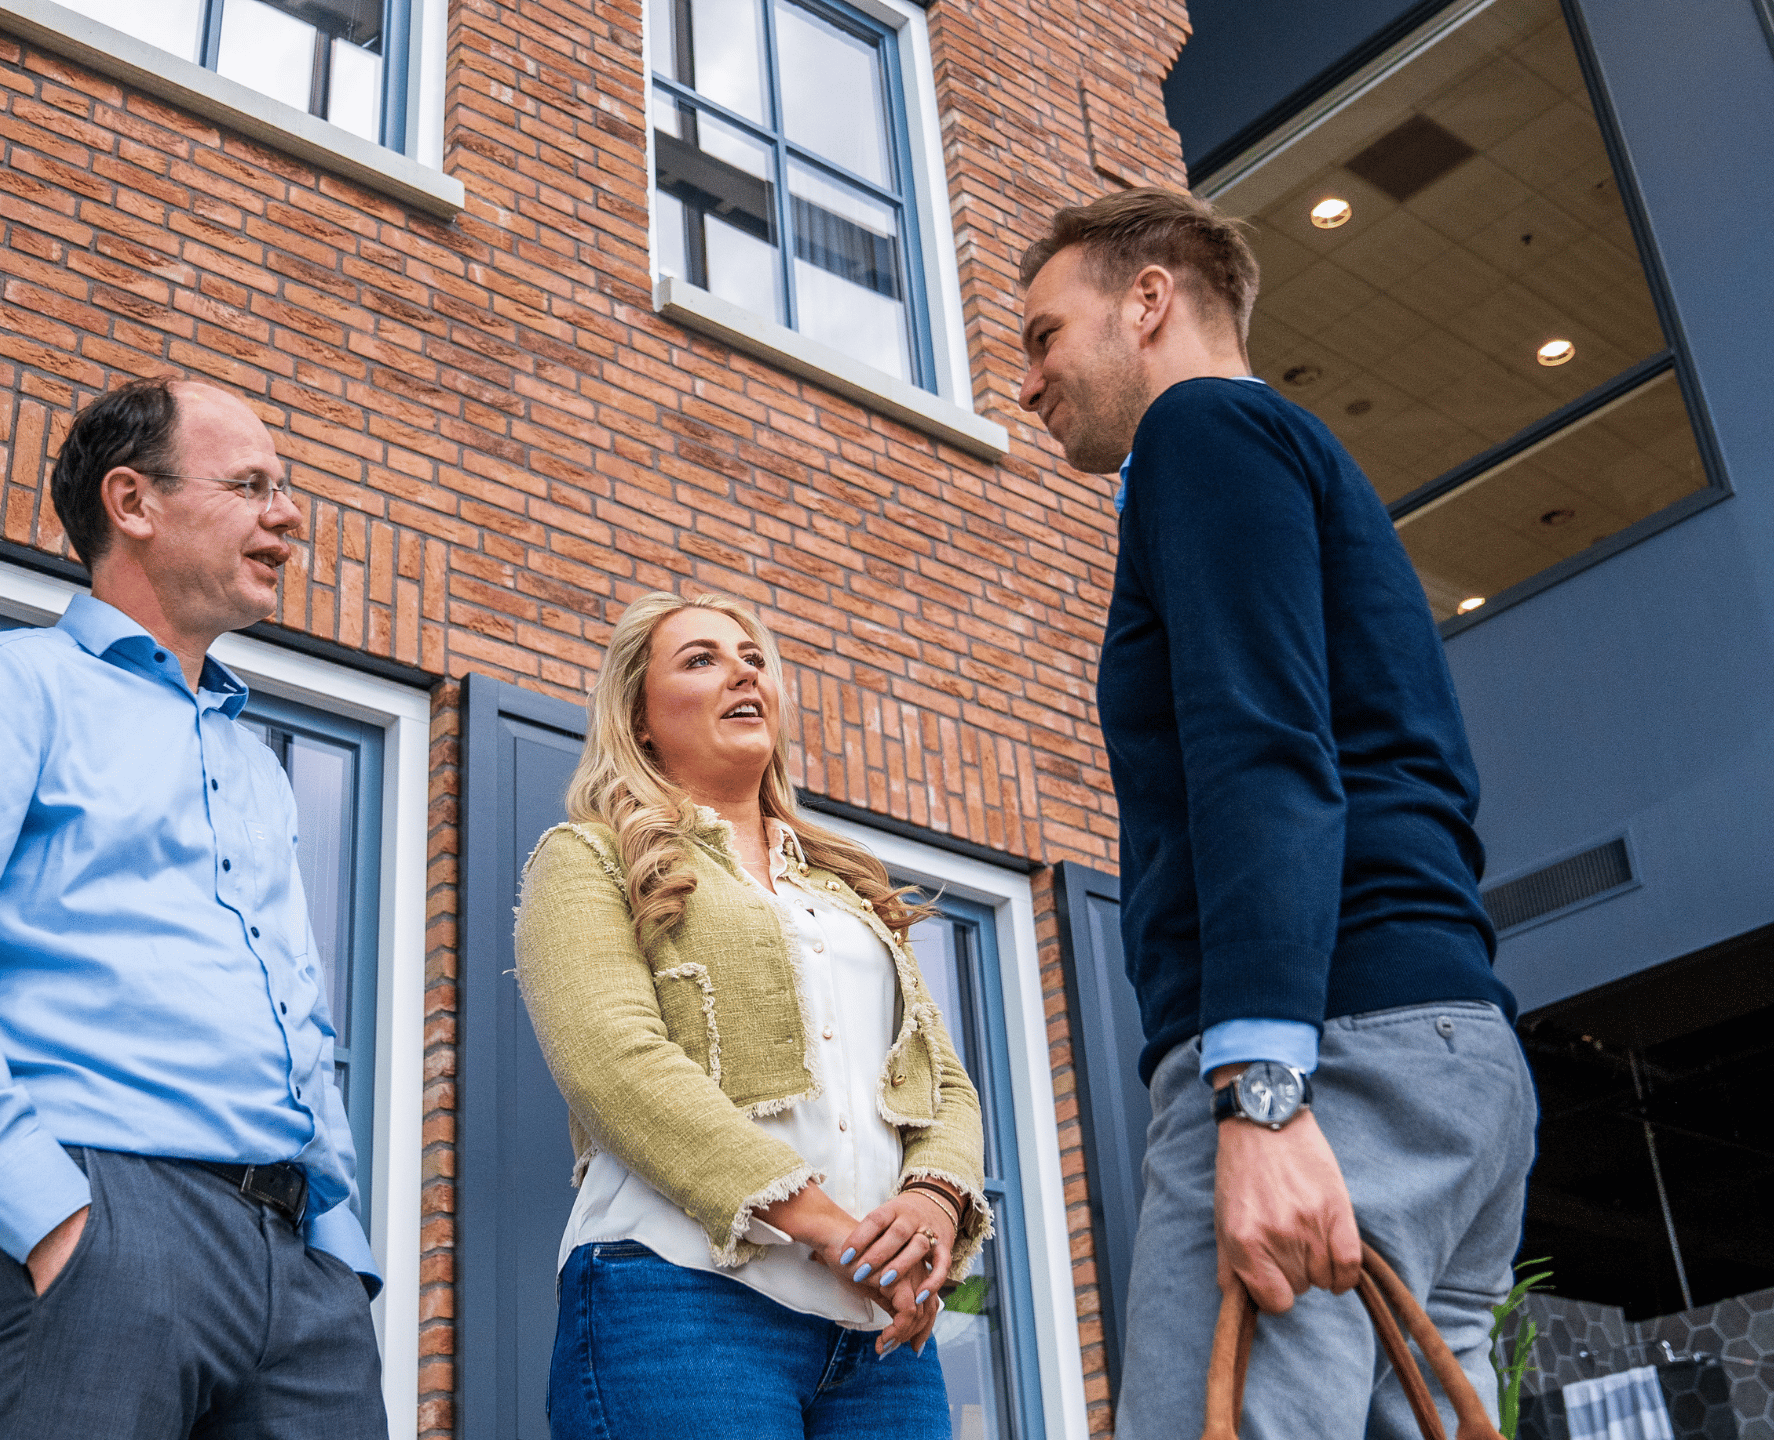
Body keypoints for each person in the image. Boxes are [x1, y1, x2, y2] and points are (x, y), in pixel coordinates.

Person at [1015, 187, 1537, 1437]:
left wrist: (1260, 1089)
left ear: (1148, 302)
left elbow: (1263, 745)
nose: (1027, 381)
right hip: (1456, 1061)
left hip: (1326, 1056)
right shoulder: (1309, 463)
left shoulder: (1202, 433)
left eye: (1042, 335)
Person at [0, 377, 387, 1440]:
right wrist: (48, 1213)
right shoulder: (5, 686)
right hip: (103, 1220)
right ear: (133, 502)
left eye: (286, 488)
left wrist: (339, 1247)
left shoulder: (253, 765)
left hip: (302, 1276)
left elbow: (297, 1010)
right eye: (253, 484)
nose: (290, 515)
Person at [515, 592, 990, 1440]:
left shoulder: (851, 893)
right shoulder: (586, 857)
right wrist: (835, 1231)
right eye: (701, 659)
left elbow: (941, 1080)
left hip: (878, 1339)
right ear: (640, 718)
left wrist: (932, 1206)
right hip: (677, 1302)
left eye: (753, 657)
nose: (744, 669)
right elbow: (615, 1063)